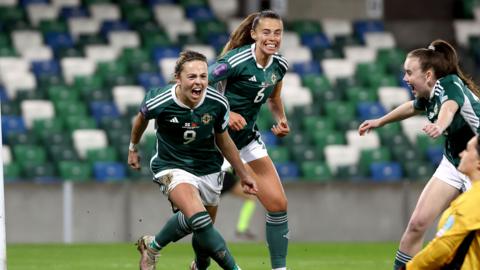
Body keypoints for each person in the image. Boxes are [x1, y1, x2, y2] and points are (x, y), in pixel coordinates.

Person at [128, 50, 258, 270]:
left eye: (203, 76)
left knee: (203, 234)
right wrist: (133, 147)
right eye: (192, 76)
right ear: (178, 78)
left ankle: (161, 249)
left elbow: (224, 141)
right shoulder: (160, 99)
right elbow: (141, 118)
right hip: (171, 165)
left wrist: (244, 174)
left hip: (208, 168)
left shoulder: (218, 103)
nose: (198, 82)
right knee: (199, 220)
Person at [358, 39, 480, 270]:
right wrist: (380, 121)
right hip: (456, 162)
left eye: (409, 72)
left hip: (477, 165)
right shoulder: (429, 94)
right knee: (417, 224)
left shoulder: (450, 83)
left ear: (429, 74)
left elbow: (450, 106)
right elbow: (412, 107)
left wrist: (440, 126)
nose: (405, 78)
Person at [208, 10, 290, 270]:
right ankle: (158, 245)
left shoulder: (280, 65)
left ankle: (279, 268)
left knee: (278, 204)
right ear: (254, 34)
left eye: (277, 33)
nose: (272, 38)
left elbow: (274, 98)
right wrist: (227, 111)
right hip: (215, 141)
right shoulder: (233, 61)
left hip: (246, 140)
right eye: (266, 32)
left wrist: (281, 119)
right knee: (202, 217)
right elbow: (199, 86)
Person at [403, 135, 480, 269]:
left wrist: (408, 268)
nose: (461, 153)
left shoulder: (471, 202)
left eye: (467, 150)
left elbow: (443, 247)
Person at [222, 169, 257, 240]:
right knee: (205, 204)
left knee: (251, 197)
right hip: (214, 178)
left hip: (227, 178)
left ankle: (242, 227)